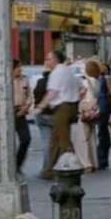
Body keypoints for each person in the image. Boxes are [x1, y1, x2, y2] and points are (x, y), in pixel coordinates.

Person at [33, 50, 79, 178]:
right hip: (70, 106)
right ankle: (50, 170)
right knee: (56, 139)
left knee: (62, 140)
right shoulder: (68, 71)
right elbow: (80, 86)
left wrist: (40, 107)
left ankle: (72, 167)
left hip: (62, 107)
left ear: (56, 59)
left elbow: (52, 92)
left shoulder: (57, 72)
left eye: (49, 59)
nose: (47, 61)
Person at [72, 60, 102, 172]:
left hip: (84, 110)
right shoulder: (97, 82)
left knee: (82, 139)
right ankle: (94, 162)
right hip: (94, 111)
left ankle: (86, 164)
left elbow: (80, 96)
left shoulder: (85, 82)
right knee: (92, 138)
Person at [94, 60, 111, 169]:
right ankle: (101, 158)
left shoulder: (107, 78)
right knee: (102, 131)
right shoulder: (97, 79)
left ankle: (102, 158)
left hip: (104, 108)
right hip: (100, 106)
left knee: (102, 132)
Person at [12, 59, 32, 173]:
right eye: (18, 67)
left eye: (21, 67)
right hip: (9, 112)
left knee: (26, 139)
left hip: (21, 111)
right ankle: (8, 167)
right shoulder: (5, 80)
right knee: (7, 142)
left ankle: (17, 164)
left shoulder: (25, 79)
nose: (20, 69)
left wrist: (26, 107)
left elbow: (29, 95)